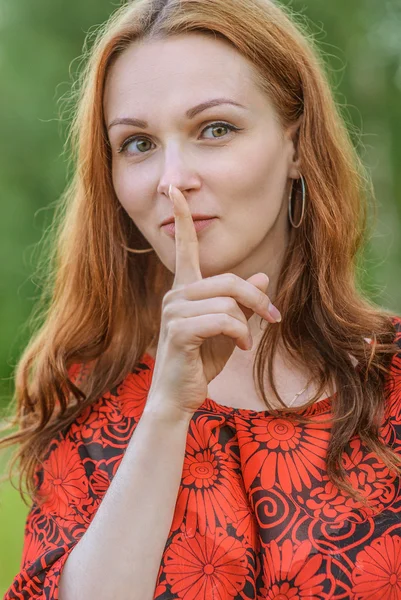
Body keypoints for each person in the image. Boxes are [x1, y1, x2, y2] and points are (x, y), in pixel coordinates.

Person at [2, 0, 401, 597]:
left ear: (296, 146)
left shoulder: (391, 380)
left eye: (215, 129)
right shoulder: (86, 391)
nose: (172, 178)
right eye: (137, 143)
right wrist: (165, 410)